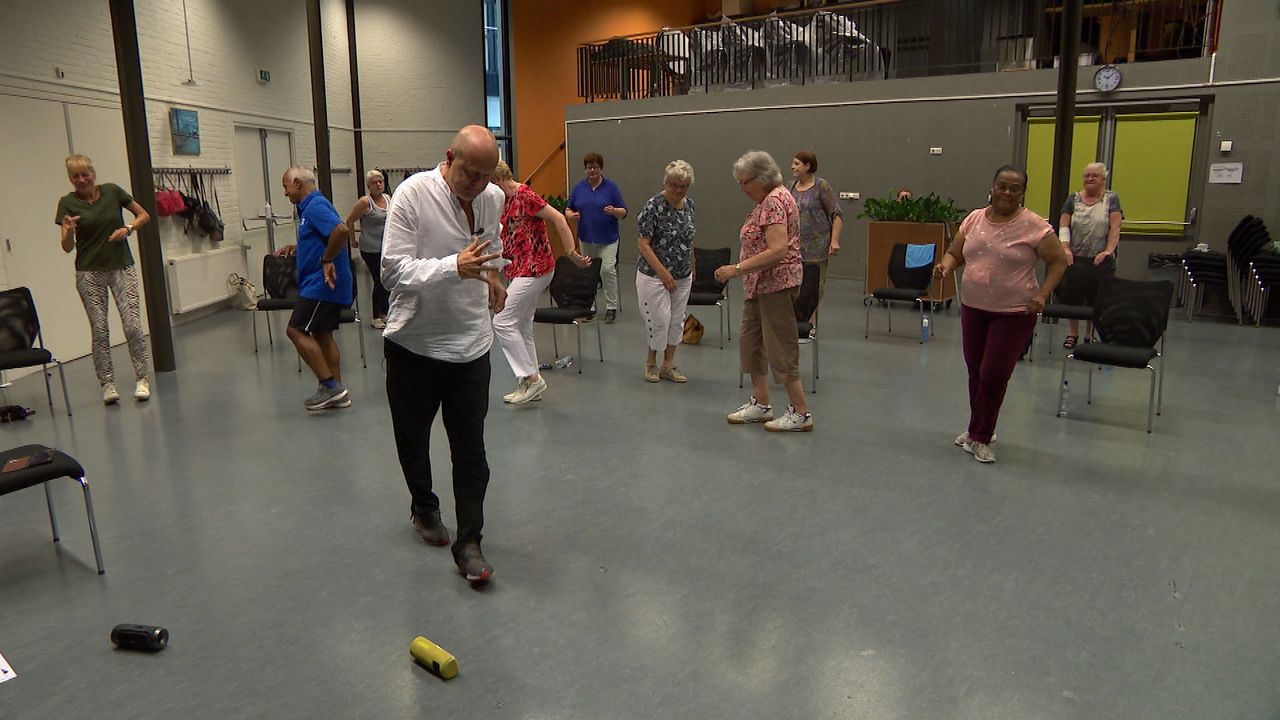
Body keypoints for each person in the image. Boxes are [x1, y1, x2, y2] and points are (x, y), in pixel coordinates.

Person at [381, 125, 507, 584]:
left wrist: (493, 278)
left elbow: (488, 251)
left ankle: (470, 542)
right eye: (469, 173)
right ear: (449, 158)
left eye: (485, 176)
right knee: (413, 441)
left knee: (471, 451)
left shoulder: (494, 198)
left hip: (471, 345)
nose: (476, 184)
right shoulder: (412, 194)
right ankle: (424, 507)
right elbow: (392, 272)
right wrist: (453, 267)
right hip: (414, 344)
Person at [933, 165, 1068, 464]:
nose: (1007, 192)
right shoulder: (974, 219)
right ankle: (977, 429)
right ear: (992, 187)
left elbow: (1058, 261)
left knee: (993, 374)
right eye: (1002, 186)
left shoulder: (1034, 226)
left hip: (1013, 312)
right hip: (973, 307)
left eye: (1014, 188)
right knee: (975, 370)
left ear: (1022, 193)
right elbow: (955, 252)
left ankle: (981, 437)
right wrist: (945, 266)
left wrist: (1042, 294)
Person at [715, 150, 812, 432]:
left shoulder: (774, 201)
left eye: (745, 182)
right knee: (751, 342)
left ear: (762, 178)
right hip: (758, 287)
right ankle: (760, 402)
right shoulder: (767, 200)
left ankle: (801, 411)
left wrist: (737, 269)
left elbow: (778, 250)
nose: (742, 188)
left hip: (776, 285)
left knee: (780, 346)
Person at [55, 154, 152, 404]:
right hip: (89, 271)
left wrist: (128, 229)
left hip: (121, 266)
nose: (81, 179)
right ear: (70, 179)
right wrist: (67, 231)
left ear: (93, 173)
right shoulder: (67, 204)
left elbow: (144, 215)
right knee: (99, 329)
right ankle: (107, 383)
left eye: (85, 174)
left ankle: (142, 378)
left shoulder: (112, 192)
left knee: (132, 324)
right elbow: (66, 248)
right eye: (75, 176)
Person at [490, 160, 587, 405]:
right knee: (522, 326)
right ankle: (532, 385)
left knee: (501, 321)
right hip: (518, 269)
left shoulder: (525, 195)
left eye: (490, 183)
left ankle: (531, 379)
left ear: (499, 179)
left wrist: (571, 251)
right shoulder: (502, 200)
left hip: (535, 269)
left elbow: (559, 219)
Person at [277, 166, 354, 411]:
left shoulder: (315, 206)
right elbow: (325, 237)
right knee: (322, 334)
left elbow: (341, 231)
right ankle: (337, 392)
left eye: (285, 187)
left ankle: (330, 386)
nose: (285, 193)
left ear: (298, 183)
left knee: (295, 330)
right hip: (323, 284)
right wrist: (299, 248)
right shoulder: (310, 208)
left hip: (323, 285)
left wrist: (327, 260)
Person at [635, 160, 696, 384]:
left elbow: (689, 239)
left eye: (683, 186)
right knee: (660, 320)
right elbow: (643, 244)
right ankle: (651, 362)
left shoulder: (689, 205)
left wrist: (692, 267)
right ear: (666, 183)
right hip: (654, 275)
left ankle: (668, 365)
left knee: (676, 321)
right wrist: (663, 273)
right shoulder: (654, 206)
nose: (678, 190)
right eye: (674, 185)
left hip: (683, 275)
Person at [1057, 162, 1123, 348]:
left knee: (1097, 298)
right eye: (1087, 175)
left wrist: (1108, 251)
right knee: (1072, 296)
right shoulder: (1073, 199)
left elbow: (1115, 227)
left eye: (1094, 175)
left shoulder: (1112, 199)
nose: (1090, 178)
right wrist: (1065, 248)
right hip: (1075, 258)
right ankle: (1072, 334)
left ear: (1103, 178)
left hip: (1099, 259)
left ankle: (1089, 334)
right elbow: (1063, 225)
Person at [565, 152, 627, 323]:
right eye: (589, 168)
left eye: (595, 167)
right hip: (586, 237)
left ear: (601, 169)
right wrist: (571, 216)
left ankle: (611, 307)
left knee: (606, 270)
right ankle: (589, 307)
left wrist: (614, 211)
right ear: (585, 170)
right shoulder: (579, 188)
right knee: (587, 272)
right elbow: (568, 209)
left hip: (608, 238)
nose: (592, 171)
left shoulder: (611, 188)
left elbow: (624, 212)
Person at [789, 151, 843, 312]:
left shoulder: (821, 186)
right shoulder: (789, 187)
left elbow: (836, 214)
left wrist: (834, 240)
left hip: (817, 248)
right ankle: (796, 322)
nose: (793, 166)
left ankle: (810, 323)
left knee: (814, 288)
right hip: (794, 247)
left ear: (808, 166)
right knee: (794, 287)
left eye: (797, 163)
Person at [345, 170, 391, 329]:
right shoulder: (365, 202)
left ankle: (385, 312)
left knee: (387, 280)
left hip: (385, 247)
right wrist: (352, 240)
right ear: (369, 186)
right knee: (379, 280)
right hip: (370, 248)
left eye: (381, 181)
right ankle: (375, 316)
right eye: (374, 182)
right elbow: (349, 221)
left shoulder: (388, 199)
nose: (378, 184)